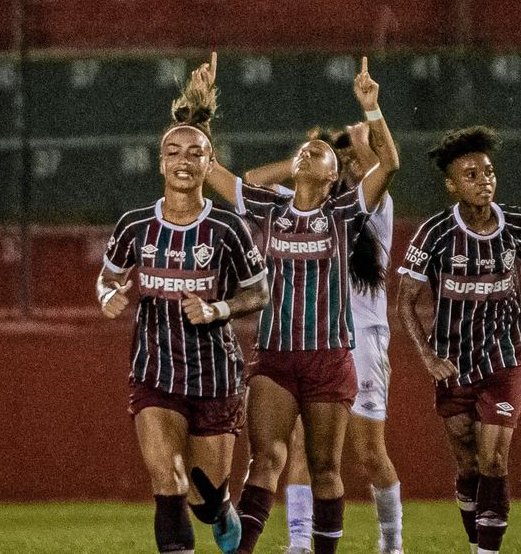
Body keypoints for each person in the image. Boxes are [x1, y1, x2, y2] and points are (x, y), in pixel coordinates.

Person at [190, 54, 399, 554]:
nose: (309, 153)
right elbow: (210, 169)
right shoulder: (268, 206)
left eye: (320, 152)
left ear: (333, 176)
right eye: (305, 149)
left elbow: (388, 164)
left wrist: (372, 110)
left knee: (326, 467)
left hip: (329, 358)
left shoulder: (346, 213)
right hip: (276, 357)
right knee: (265, 460)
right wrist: (200, 110)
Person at [95, 83, 271, 554]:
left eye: (195, 153)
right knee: (167, 477)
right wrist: (107, 295)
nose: (183, 160)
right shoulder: (134, 225)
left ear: (207, 164)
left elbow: (260, 291)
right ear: (160, 163)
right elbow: (107, 277)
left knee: (203, 500)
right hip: (154, 371)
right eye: (173, 151)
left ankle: (221, 507)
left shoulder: (228, 227)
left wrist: (217, 308)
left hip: (214, 373)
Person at [250, 124, 404, 554]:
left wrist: (358, 142)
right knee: (301, 447)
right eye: (342, 160)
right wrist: (301, 164)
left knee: (370, 451)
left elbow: (383, 165)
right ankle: (299, 542)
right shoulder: (302, 208)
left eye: (354, 160)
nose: (351, 164)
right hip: (313, 338)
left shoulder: (370, 207)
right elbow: (254, 182)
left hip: (364, 341)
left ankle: (392, 543)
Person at [395, 126, 521, 554]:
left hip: (507, 356)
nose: (484, 181)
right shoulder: (435, 233)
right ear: (451, 184)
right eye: (471, 175)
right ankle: (476, 533)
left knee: (494, 458)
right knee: (467, 459)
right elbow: (404, 300)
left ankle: (487, 550)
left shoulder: (517, 222)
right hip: (454, 360)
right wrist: (427, 357)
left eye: (488, 172)